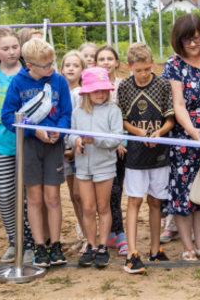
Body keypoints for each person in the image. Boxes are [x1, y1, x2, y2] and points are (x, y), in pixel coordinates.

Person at [1, 38, 72, 268]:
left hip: (53, 147)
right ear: (30, 65)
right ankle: (39, 247)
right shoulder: (18, 83)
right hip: (29, 147)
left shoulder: (59, 81)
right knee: (34, 198)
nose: (52, 67)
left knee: (52, 198)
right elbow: (8, 116)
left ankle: (56, 245)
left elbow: (66, 114)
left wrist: (57, 132)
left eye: (53, 61)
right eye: (46, 64)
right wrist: (34, 131)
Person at [162, 13, 200, 261]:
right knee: (182, 193)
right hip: (184, 138)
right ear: (179, 40)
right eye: (186, 40)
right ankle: (187, 247)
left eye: (196, 38)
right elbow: (178, 104)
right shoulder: (174, 64)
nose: (192, 44)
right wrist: (193, 134)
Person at [0, 27, 36, 263]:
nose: (11, 52)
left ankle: (31, 244)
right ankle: (14, 242)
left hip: (29, 141)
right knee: (6, 196)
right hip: (0, 143)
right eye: (5, 48)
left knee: (28, 198)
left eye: (15, 47)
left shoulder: (31, 69)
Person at [118, 43, 175, 274]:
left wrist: (159, 133)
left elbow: (170, 118)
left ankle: (155, 249)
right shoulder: (124, 86)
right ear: (129, 66)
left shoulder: (162, 84)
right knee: (134, 201)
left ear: (153, 63)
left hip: (159, 153)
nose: (143, 74)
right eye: (138, 69)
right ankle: (132, 254)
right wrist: (139, 133)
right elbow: (121, 118)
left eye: (147, 69)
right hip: (135, 154)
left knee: (156, 201)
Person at [68, 67, 123, 268]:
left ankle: (103, 246)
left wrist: (96, 140)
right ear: (86, 91)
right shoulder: (77, 111)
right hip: (82, 167)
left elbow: (117, 137)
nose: (100, 94)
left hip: (105, 166)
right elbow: (69, 133)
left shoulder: (113, 110)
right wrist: (76, 141)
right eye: (95, 90)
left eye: (103, 89)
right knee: (88, 208)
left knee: (103, 206)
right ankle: (90, 245)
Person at [96, 45, 128, 256]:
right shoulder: (92, 87)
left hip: (121, 147)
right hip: (98, 148)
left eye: (110, 58)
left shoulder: (123, 86)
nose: (106, 62)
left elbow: (127, 117)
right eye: (102, 59)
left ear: (117, 62)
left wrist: (120, 141)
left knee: (116, 191)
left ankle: (117, 232)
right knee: (105, 194)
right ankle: (115, 233)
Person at [59, 50, 87, 254]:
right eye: (67, 65)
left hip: (78, 150)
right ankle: (84, 236)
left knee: (80, 193)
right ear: (61, 69)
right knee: (73, 195)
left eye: (75, 65)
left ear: (82, 70)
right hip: (63, 149)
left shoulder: (81, 94)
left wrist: (72, 146)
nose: (71, 68)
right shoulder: (58, 92)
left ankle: (89, 237)